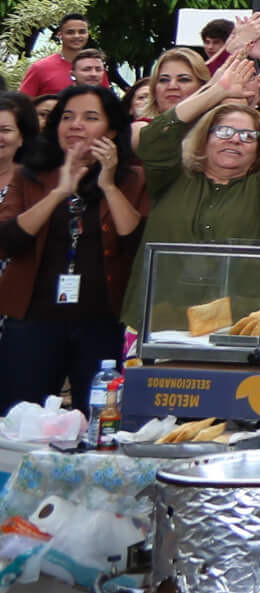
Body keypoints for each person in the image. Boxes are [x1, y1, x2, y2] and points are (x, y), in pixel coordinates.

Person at [126, 38, 260, 322]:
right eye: (223, 132)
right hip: (159, 319)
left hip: (234, 325)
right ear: (205, 138)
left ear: (259, 148)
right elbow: (156, 138)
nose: (235, 140)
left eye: (248, 136)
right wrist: (216, 92)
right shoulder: (172, 178)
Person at [0, 83, 145, 410]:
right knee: (18, 420)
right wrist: (58, 193)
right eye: (68, 117)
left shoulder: (133, 178)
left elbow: (135, 244)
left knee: (96, 420)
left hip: (103, 322)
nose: (76, 124)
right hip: (32, 321)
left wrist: (108, 185)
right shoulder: (29, 175)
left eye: (90, 117)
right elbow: (7, 241)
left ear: (111, 128)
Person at [16, 14, 92, 98]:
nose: (76, 36)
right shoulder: (40, 68)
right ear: (59, 35)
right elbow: (22, 105)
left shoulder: (95, 69)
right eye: (70, 32)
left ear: (88, 34)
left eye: (82, 32)